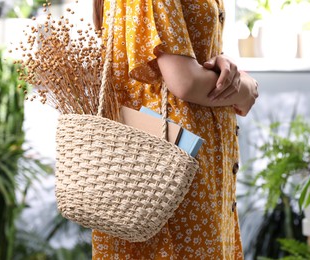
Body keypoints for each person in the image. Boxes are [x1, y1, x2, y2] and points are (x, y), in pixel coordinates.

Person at [92, 0, 258, 259]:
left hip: (181, 165)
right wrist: (247, 89)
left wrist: (220, 62)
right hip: (174, 170)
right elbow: (185, 81)